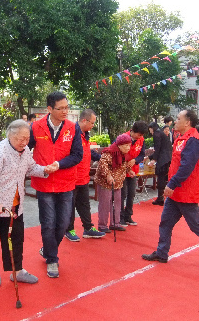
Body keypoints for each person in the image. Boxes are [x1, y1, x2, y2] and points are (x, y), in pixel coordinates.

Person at [0, 119, 58, 288]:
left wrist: (45, 170)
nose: (25, 143)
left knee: (16, 239)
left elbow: (31, 168)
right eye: (21, 139)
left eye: (27, 138)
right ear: (10, 136)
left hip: (14, 204)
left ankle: (17, 271)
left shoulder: (25, 151)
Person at [142, 110, 199, 271]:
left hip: (186, 192)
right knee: (165, 222)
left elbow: (187, 167)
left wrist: (171, 184)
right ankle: (162, 253)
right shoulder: (180, 139)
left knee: (195, 225)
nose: (175, 121)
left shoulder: (193, 141)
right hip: (176, 191)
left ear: (188, 122)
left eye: (178, 118)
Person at [28, 92, 83, 278]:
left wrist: (59, 165)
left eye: (67, 107)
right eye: (61, 108)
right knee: (48, 224)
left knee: (63, 224)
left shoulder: (73, 128)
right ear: (49, 109)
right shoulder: (36, 127)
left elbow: (77, 155)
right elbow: (25, 149)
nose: (65, 111)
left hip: (66, 182)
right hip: (43, 184)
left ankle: (48, 249)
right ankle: (52, 259)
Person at [64, 109, 105, 242]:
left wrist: (100, 157)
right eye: (92, 123)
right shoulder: (72, 132)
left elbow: (87, 152)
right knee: (70, 205)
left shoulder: (85, 135)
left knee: (84, 204)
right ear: (84, 120)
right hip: (72, 177)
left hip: (83, 176)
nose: (93, 126)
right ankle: (68, 229)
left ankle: (88, 228)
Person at [94, 134, 135, 233]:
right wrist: (108, 175)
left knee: (117, 203)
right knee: (105, 204)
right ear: (119, 145)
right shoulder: (109, 152)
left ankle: (115, 223)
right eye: (126, 146)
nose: (128, 148)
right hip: (105, 182)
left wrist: (129, 171)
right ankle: (102, 225)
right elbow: (102, 165)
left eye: (129, 145)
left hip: (118, 181)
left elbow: (124, 164)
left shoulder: (124, 154)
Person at [120, 121, 147, 226]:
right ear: (133, 131)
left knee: (131, 194)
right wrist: (127, 166)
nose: (140, 137)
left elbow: (142, 154)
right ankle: (120, 217)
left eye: (142, 135)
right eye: (139, 134)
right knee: (122, 194)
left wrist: (135, 160)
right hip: (123, 170)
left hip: (133, 171)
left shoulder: (141, 140)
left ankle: (128, 216)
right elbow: (119, 155)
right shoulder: (123, 138)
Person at [147, 122, 172, 206]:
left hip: (163, 159)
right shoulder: (161, 134)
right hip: (168, 158)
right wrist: (149, 157)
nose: (149, 131)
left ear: (152, 128)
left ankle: (161, 198)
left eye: (150, 129)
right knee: (164, 178)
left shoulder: (156, 134)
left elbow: (157, 149)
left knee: (161, 178)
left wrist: (153, 159)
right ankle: (162, 197)